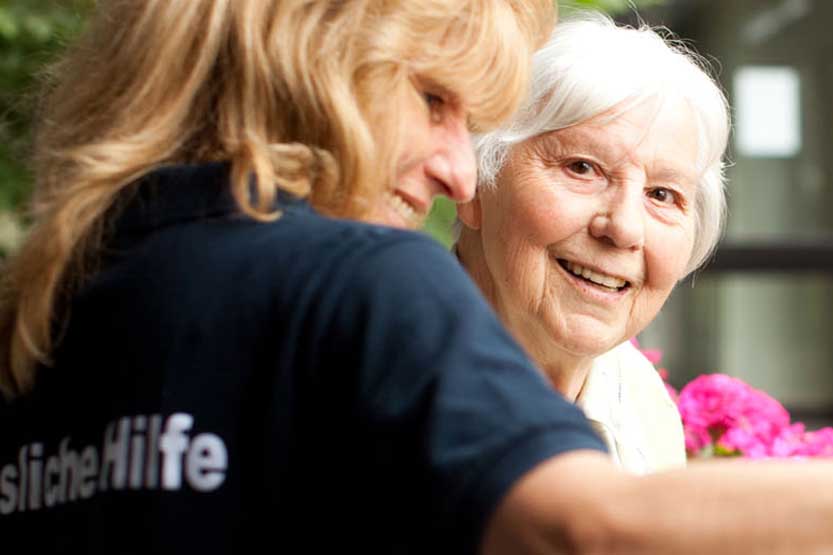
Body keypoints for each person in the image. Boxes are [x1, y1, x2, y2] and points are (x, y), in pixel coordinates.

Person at [0, 2, 832, 555]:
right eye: (434, 100)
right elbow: (587, 528)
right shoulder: (354, 283)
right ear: (312, 63)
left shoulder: (43, 299)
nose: (456, 171)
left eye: (664, 195)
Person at [455, 13, 729, 473]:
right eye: (582, 168)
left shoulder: (639, 397)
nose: (624, 228)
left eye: (662, 195)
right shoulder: (381, 382)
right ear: (475, 184)